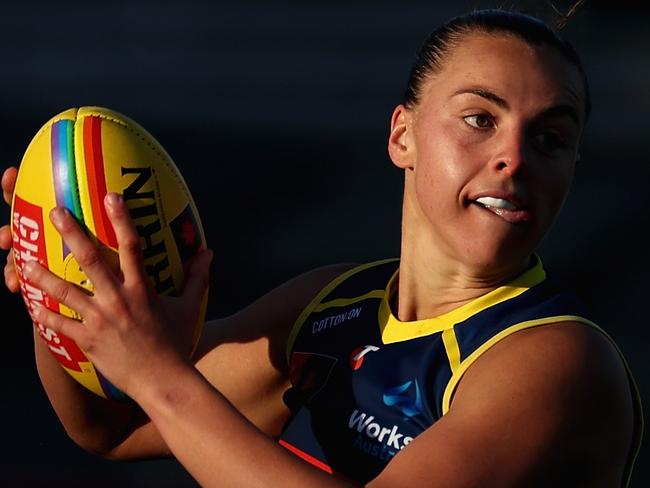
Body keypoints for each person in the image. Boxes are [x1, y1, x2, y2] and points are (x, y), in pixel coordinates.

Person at [0, 7, 642, 487]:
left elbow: (161, 395)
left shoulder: (558, 360)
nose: (514, 157)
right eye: (480, 119)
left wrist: (157, 374)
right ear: (403, 138)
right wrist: (57, 286)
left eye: (551, 139)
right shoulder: (336, 305)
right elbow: (113, 427)